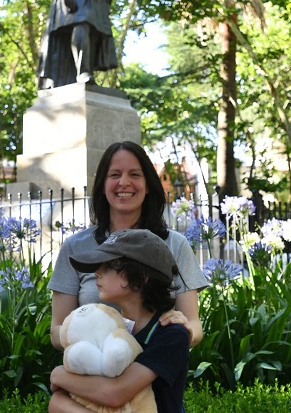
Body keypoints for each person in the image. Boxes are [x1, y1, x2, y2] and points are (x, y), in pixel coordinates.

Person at [48, 141, 207, 351]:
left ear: (148, 185)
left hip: (155, 370)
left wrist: (180, 331)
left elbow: (194, 326)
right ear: (103, 186)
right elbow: (57, 329)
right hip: (91, 375)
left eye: (134, 174)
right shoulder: (75, 247)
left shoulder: (175, 244)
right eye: (114, 175)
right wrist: (94, 338)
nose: (124, 183)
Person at [49, 229, 190, 413]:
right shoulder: (110, 329)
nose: (96, 273)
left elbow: (114, 394)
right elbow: (57, 402)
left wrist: (58, 374)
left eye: (109, 266)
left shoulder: (170, 334)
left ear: (142, 276)